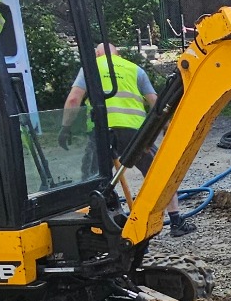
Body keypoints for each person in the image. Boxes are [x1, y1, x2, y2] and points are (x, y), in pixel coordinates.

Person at [63, 44, 196, 237]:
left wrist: (65, 128)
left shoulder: (90, 68)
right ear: (118, 53)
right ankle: (176, 221)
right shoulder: (135, 70)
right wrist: (166, 127)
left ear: (97, 54)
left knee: (92, 180)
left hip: (101, 132)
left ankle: (93, 226)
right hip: (134, 132)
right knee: (158, 172)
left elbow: (74, 100)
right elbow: (156, 102)